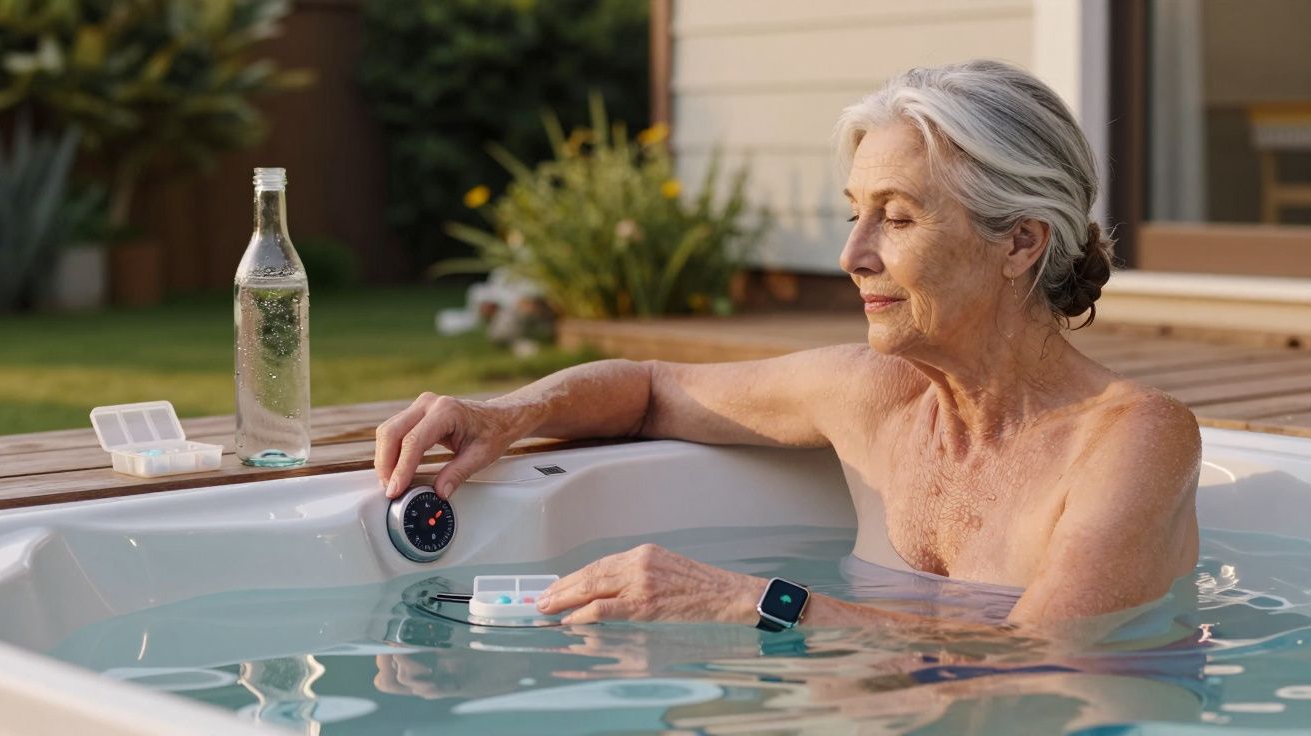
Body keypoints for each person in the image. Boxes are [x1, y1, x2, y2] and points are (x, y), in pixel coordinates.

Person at [373, 60, 1201, 633]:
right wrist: (506, 413)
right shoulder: (871, 394)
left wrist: (758, 603)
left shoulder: (1131, 440)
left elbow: (1048, 665)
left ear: (1020, 243)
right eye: (855, 213)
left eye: (898, 218)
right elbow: (655, 389)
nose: (852, 254)